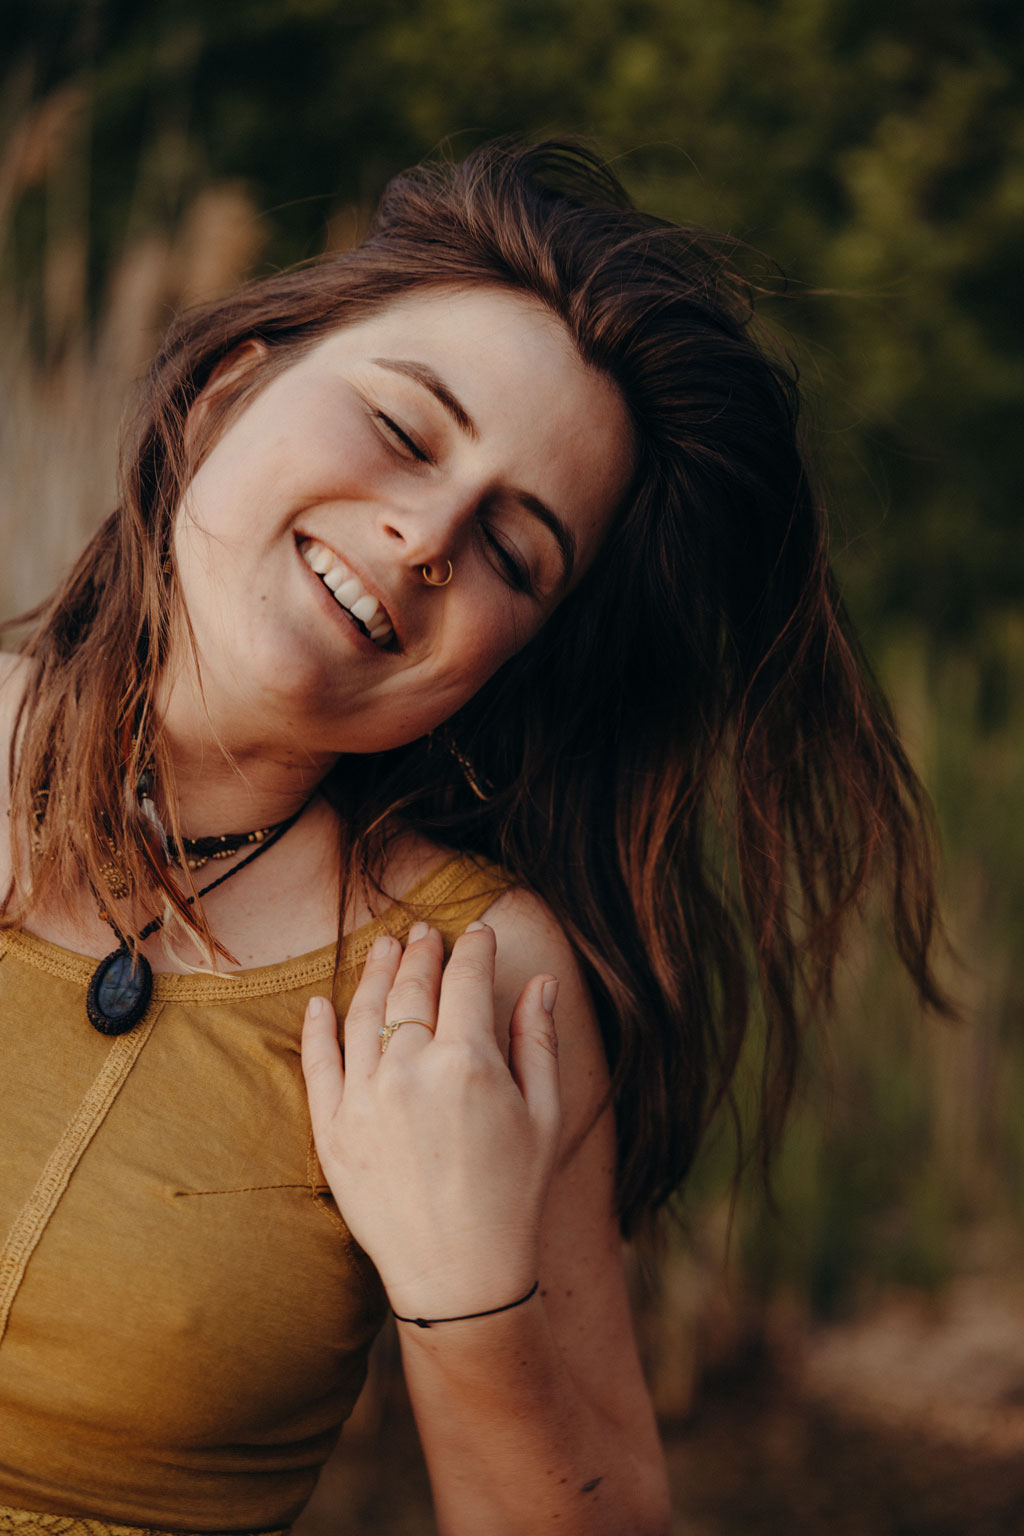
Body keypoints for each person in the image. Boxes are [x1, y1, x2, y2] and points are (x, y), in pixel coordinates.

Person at [0, 141, 948, 1535]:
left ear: (509, 660)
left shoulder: (465, 983)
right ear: (225, 388)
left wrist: (470, 1293)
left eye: (517, 554)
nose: (429, 533)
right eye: (403, 429)